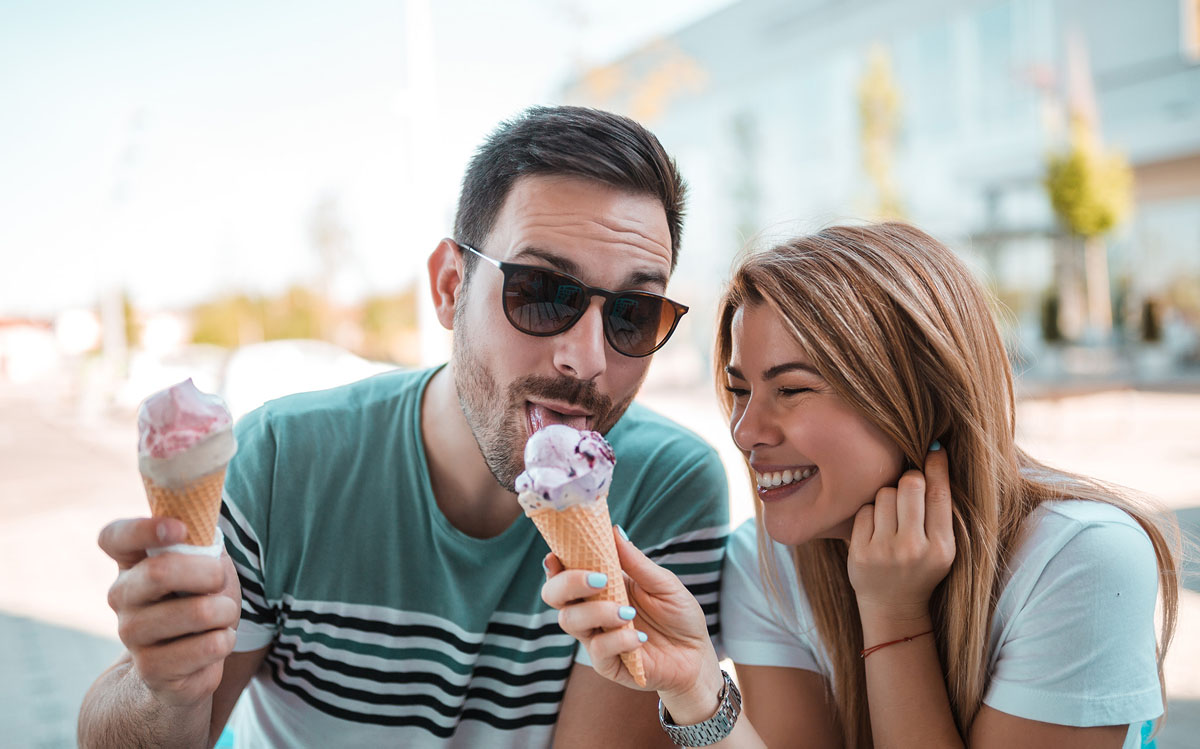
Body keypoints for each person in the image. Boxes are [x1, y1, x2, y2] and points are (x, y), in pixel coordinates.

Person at [79, 106, 729, 748]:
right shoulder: (283, 459)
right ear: (450, 287)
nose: (588, 359)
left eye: (633, 314)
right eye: (543, 292)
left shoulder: (667, 487)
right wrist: (163, 683)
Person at [543, 222, 1181, 748]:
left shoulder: (1083, 558)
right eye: (740, 392)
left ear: (921, 397)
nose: (744, 432)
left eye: (791, 390)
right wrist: (695, 688)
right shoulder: (766, 562)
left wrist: (892, 615)